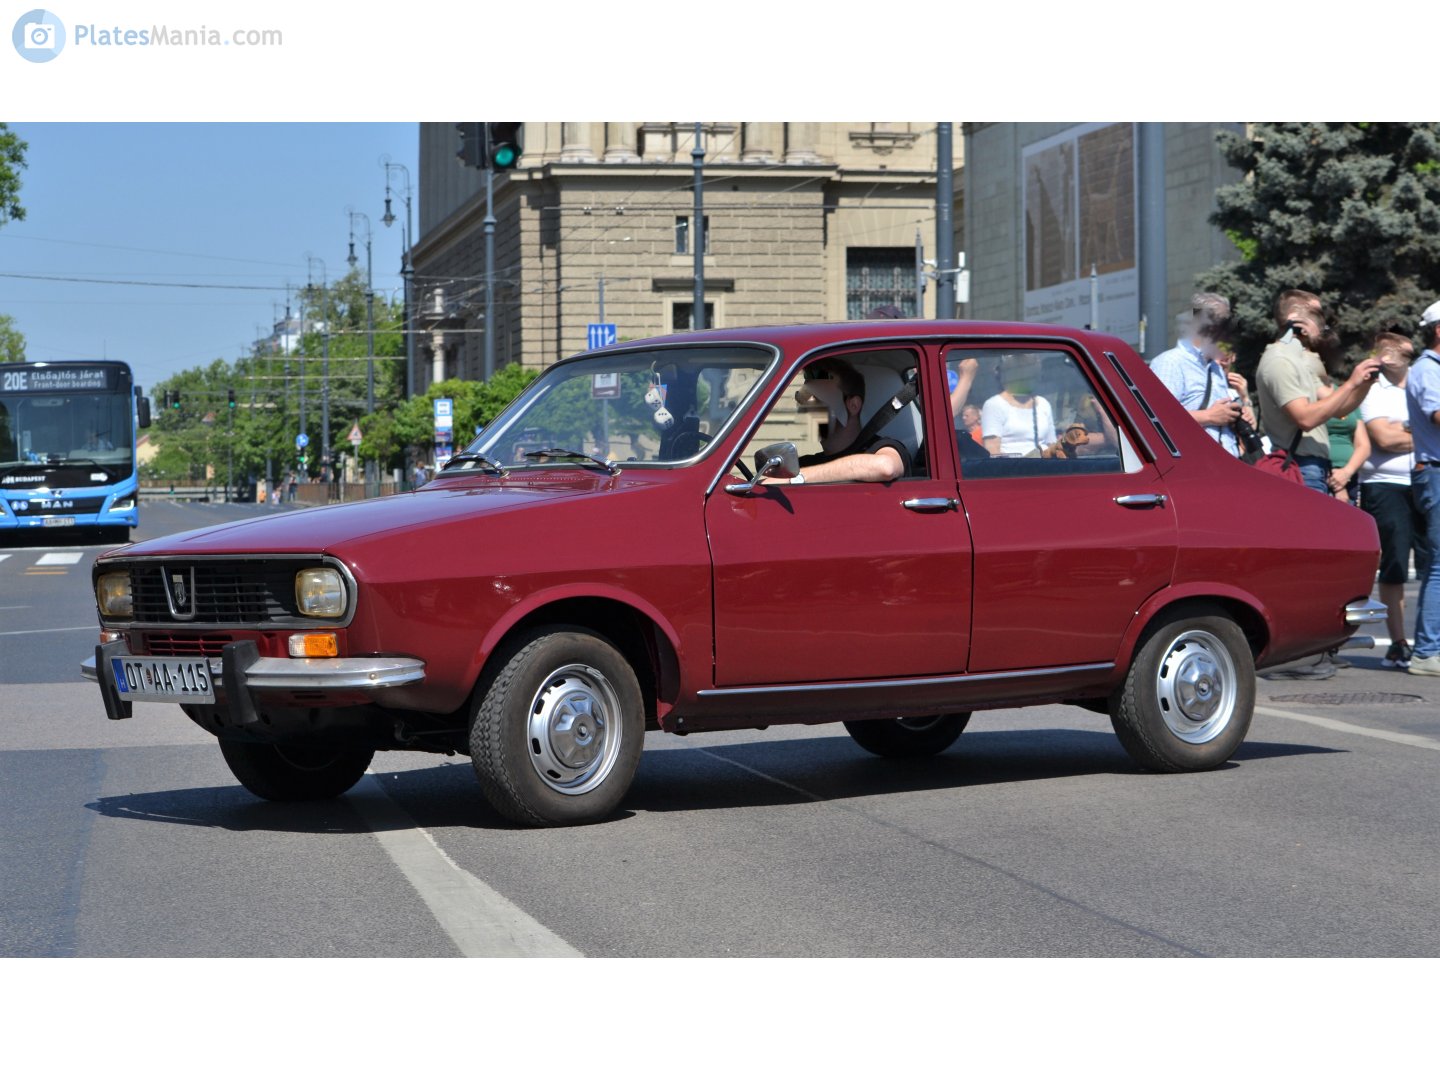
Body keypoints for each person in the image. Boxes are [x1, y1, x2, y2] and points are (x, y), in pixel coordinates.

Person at [1256, 292, 1380, 495]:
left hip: (1316, 468)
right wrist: (1350, 384)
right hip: (1300, 468)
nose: (1323, 324)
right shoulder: (1280, 361)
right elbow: (1305, 418)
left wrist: (1364, 383)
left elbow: (1340, 409)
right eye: (1317, 314)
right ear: (1295, 318)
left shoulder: (1299, 360)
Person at [1357, 331, 1426, 669]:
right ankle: (1398, 643)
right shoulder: (1372, 389)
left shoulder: (1423, 380)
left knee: (1433, 565)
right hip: (1384, 485)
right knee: (1395, 565)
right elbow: (1383, 437)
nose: (1392, 351)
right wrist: (1422, 431)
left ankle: (1429, 642)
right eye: (1385, 346)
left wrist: (1407, 431)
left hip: (1425, 481)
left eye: (1398, 345)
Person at [762, 357, 909, 484]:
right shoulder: (805, 465)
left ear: (853, 405)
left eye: (817, 398)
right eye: (802, 399)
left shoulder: (880, 448)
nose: (806, 407)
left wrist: (796, 479)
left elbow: (886, 467)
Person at [1149, 292, 1255, 456]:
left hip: (1225, 467)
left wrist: (1239, 414)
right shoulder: (1170, 363)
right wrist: (1208, 416)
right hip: (1193, 471)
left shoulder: (1215, 367)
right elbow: (1155, 421)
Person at [1405, 301, 1440, 676]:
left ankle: (1431, 648)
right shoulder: (1427, 371)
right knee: (1439, 565)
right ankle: (1427, 651)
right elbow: (1437, 414)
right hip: (1435, 472)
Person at [981, 353, 1056, 457]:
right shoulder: (994, 405)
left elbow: (1052, 444)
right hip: (1014, 470)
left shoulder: (1044, 404)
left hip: (1047, 468)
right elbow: (993, 451)